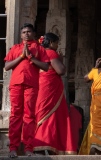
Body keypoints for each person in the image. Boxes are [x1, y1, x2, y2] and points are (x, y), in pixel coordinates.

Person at [4, 23, 49, 158]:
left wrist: (31, 57)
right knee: (15, 116)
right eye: (24, 32)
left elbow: (46, 67)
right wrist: (21, 57)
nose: (26, 34)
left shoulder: (39, 48)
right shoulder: (15, 48)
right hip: (16, 84)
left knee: (29, 117)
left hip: (31, 85)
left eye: (29, 32)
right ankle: (13, 148)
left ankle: (29, 148)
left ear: (34, 34)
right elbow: (7, 66)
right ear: (21, 35)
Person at [32, 32, 77, 155]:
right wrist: (60, 60)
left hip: (41, 86)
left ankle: (38, 143)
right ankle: (48, 142)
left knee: (41, 114)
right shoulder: (51, 53)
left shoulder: (38, 53)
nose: (57, 45)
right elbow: (61, 70)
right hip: (50, 87)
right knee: (53, 115)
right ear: (51, 43)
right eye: (57, 43)